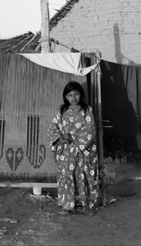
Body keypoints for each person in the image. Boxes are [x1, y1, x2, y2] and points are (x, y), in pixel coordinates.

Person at [48, 81, 100, 215]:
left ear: (81, 95)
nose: (73, 98)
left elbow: (90, 130)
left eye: (76, 94)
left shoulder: (87, 111)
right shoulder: (61, 111)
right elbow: (53, 128)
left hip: (83, 151)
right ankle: (68, 205)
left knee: (84, 175)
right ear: (65, 97)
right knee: (67, 176)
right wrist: (61, 137)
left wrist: (74, 139)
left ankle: (87, 205)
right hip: (66, 151)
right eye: (70, 95)